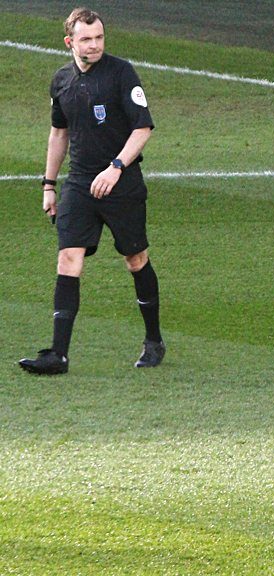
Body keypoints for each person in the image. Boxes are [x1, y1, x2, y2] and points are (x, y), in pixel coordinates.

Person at [18, 8, 165, 375]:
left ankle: (153, 341)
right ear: (71, 42)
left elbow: (143, 126)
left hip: (122, 184)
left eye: (99, 37)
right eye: (87, 39)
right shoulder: (62, 81)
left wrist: (116, 168)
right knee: (68, 258)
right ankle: (58, 355)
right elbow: (59, 134)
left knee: (136, 259)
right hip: (81, 184)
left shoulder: (120, 73)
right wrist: (49, 185)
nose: (95, 44)